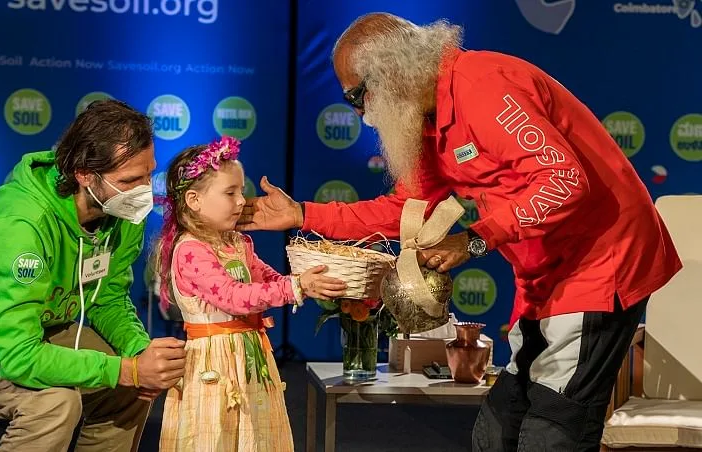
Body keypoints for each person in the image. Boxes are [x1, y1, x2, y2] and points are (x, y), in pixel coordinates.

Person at [237, 12, 682, 452]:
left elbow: (563, 181)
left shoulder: (484, 86)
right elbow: (405, 209)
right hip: (545, 271)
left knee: (553, 430)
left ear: (389, 74)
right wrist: (302, 214)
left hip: (601, 260)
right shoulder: (426, 116)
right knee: (495, 434)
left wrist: (474, 239)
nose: (358, 111)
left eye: (356, 95)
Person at [0, 99, 187, 452]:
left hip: (31, 317)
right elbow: (16, 356)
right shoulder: (20, 226)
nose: (144, 190)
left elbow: (107, 297)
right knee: (53, 405)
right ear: (84, 175)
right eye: (130, 180)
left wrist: (139, 352)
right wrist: (127, 369)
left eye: (148, 174)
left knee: (132, 387)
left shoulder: (121, 210)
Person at [155, 137, 347, 451]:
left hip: (247, 355)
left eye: (241, 191)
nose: (242, 201)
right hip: (214, 362)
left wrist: (304, 281)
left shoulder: (238, 243)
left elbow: (268, 278)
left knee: (254, 436)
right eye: (230, 193)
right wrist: (295, 287)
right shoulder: (191, 250)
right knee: (215, 436)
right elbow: (233, 297)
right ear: (194, 200)